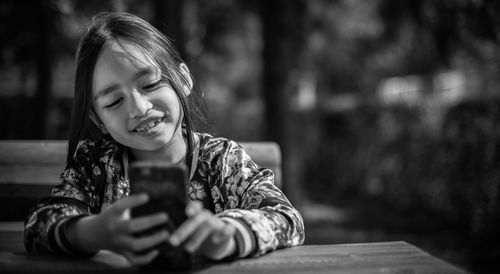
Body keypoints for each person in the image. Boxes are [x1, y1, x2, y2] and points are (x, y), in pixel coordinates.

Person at [24, 11, 305, 267]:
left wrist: (228, 235)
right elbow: (39, 224)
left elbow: (287, 219)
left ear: (183, 79)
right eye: (113, 102)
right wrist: (94, 233)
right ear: (99, 120)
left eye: (149, 85)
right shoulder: (95, 164)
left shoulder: (223, 161)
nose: (139, 108)